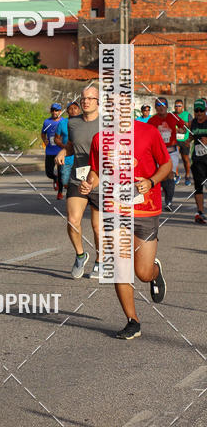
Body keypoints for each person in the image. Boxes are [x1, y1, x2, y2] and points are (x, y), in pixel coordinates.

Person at [81, 119, 171, 339]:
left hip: (146, 210)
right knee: (120, 267)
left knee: (142, 273)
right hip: (115, 210)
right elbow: (96, 171)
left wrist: (151, 181)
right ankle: (133, 321)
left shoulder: (149, 132)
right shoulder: (100, 139)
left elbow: (166, 165)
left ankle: (154, 272)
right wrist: (89, 183)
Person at [54, 86, 101, 278]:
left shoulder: (107, 124)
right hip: (78, 177)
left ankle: (100, 261)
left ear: (98, 101)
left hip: (101, 179)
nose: (86, 101)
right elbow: (73, 146)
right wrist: (63, 151)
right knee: (73, 221)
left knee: (98, 227)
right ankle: (80, 255)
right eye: (83, 98)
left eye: (90, 98)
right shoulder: (73, 123)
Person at [148, 98, 178, 211]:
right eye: (158, 105)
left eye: (163, 105)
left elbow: (184, 127)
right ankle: (158, 199)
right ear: (155, 108)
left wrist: (183, 132)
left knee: (170, 174)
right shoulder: (152, 120)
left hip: (172, 151)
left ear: (167, 106)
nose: (161, 107)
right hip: (158, 152)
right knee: (161, 176)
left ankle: (169, 202)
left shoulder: (173, 117)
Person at [54, 101, 80, 194]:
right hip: (67, 158)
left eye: (75, 108)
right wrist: (64, 147)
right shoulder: (62, 123)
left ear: (79, 110)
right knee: (65, 181)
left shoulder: (84, 122)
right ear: (67, 111)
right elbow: (56, 139)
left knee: (80, 182)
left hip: (80, 158)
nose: (73, 110)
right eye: (70, 109)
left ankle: (75, 197)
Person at [189, 99, 207, 224]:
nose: (199, 113)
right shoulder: (193, 123)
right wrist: (187, 139)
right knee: (198, 187)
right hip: (197, 160)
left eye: (201, 110)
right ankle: (200, 212)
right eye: (197, 110)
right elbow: (191, 136)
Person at [41, 103, 65, 199]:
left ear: (60, 111)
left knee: (61, 173)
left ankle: (60, 193)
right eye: (53, 110)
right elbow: (43, 133)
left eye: (56, 110)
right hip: (50, 151)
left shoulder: (64, 122)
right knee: (49, 173)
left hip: (60, 152)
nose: (54, 112)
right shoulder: (47, 122)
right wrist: (44, 140)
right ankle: (55, 178)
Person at [172, 99, 191, 186]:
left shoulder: (187, 115)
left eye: (179, 106)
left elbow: (191, 126)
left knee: (185, 159)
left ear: (182, 107)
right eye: (176, 106)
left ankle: (187, 176)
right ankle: (176, 175)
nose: (177, 107)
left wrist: (189, 139)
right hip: (175, 140)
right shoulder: (171, 115)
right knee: (174, 158)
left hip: (184, 140)